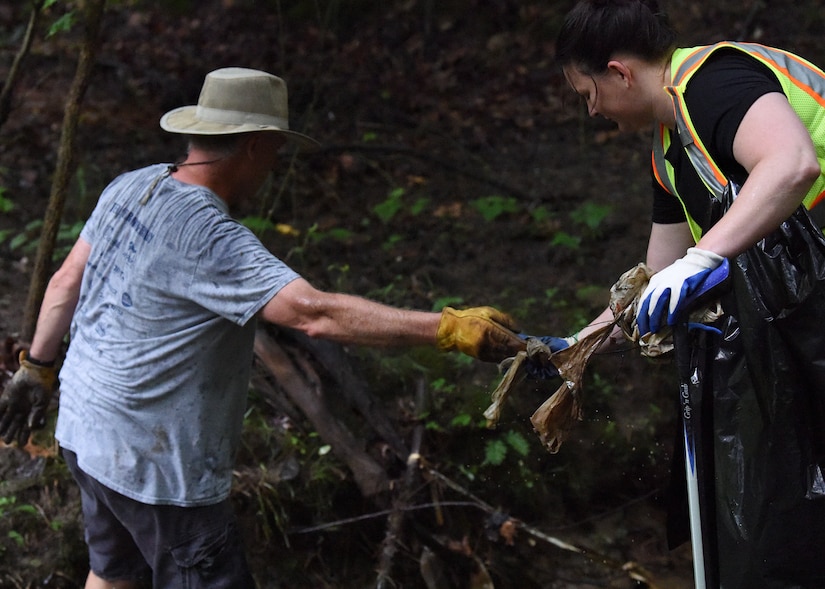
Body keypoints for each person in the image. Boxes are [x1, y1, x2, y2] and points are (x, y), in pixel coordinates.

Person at [0, 67, 526, 588]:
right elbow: (313, 314)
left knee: (114, 575)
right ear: (253, 145)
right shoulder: (210, 236)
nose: (274, 165)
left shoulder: (131, 186)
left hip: (85, 433)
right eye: (275, 151)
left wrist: (38, 369)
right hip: (157, 472)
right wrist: (451, 328)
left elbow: (65, 280)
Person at [552, 1, 825, 587]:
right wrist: (576, 346)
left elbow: (793, 164)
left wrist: (705, 259)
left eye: (588, 92)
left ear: (620, 72)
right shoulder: (670, 151)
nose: (592, 110)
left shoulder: (714, 82)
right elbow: (660, 277)